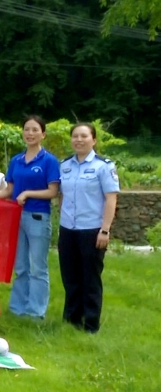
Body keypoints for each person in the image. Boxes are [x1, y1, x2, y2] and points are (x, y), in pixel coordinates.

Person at [58, 123, 120, 334]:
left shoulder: (104, 166)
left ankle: (91, 324)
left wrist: (105, 230)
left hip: (92, 230)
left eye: (84, 136)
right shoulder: (65, 165)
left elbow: (111, 199)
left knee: (90, 279)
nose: (79, 140)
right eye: (75, 136)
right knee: (70, 277)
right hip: (68, 229)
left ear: (93, 140)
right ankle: (71, 320)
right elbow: (63, 196)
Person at [5, 115, 60, 319]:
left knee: (38, 267)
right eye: (27, 129)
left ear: (43, 134)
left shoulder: (49, 160)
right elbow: (9, 190)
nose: (30, 133)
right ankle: (17, 308)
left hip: (38, 216)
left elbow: (52, 191)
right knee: (20, 266)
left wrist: (28, 193)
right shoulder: (16, 160)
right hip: (16, 217)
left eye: (35, 130)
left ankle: (36, 311)